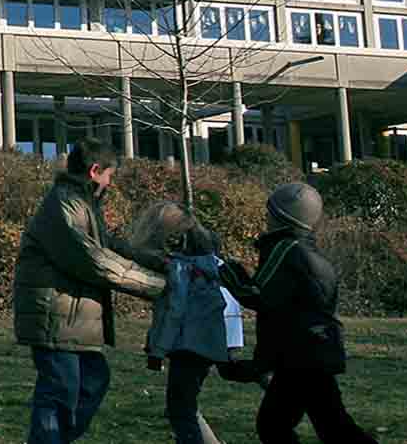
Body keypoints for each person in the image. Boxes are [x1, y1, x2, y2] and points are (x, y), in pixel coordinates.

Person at [13, 137, 168, 444]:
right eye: (110, 175)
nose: (110, 183)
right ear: (95, 170)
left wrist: (159, 263)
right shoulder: (64, 204)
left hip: (70, 318)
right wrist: (158, 286)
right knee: (60, 392)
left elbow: (109, 246)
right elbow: (93, 260)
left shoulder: (80, 203)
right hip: (56, 318)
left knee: (91, 382)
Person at [220, 183, 378, 444]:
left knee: (280, 426)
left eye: (269, 212)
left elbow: (256, 295)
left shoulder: (285, 249)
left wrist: (226, 270)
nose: (266, 217)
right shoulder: (309, 252)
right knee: (328, 425)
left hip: (300, 354)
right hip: (315, 349)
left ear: (281, 217)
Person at [133, 202, 247, 444]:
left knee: (181, 410)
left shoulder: (181, 269)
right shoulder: (210, 264)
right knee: (185, 406)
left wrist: (157, 351)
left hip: (190, 345)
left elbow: (174, 312)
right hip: (208, 340)